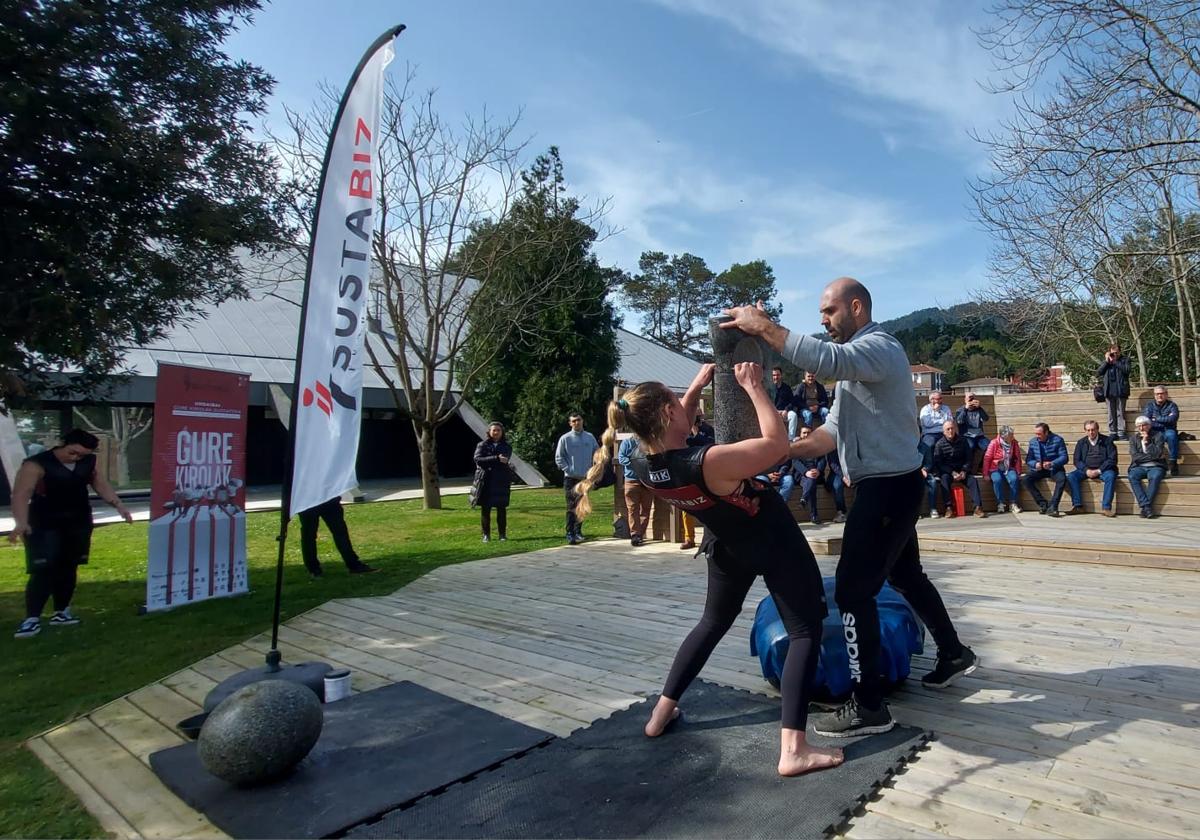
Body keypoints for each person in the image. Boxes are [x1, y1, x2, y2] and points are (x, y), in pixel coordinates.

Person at [724, 278, 977, 738]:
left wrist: (764, 327)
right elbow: (834, 429)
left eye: (828, 312)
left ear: (856, 307)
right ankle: (953, 652)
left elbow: (826, 360)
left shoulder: (879, 347)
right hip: (889, 488)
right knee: (905, 576)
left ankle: (869, 706)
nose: (822, 321)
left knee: (853, 593)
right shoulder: (857, 371)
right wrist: (789, 450)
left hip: (886, 490)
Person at [574, 362, 843, 776]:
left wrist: (697, 386)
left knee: (711, 623)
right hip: (772, 542)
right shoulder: (710, 461)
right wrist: (755, 388)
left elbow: (672, 432)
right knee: (804, 631)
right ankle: (794, 749)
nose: (686, 406)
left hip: (725, 545)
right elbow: (775, 444)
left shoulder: (647, 466)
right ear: (666, 413)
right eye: (676, 400)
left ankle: (660, 713)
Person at [9, 429, 133, 639]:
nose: (76, 458)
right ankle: (32, 619)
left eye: (82, 455)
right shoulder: (36, 463)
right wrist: (21, 522)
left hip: (78, 520)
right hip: (45, 521)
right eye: (73, 452)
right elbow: (22, 493)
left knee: (69, 566)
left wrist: (119, 506)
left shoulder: (88, 463)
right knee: (44, 569)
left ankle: (61, 612)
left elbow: (100, 485)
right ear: (64, 444)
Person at [299, 497, 375, 576]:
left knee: (338, 533)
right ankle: (314, 568)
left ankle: (353, 564)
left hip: (321, 500)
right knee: (310, 535)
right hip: (314, 501)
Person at [554, 412, 599, 545]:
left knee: (581, 506)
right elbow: (559, 458)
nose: (576, 423)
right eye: (573, 421)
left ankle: (578, 532)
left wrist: (594, 469)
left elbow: (596, 454)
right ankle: (570, 533)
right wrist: (569, 470)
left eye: (578, 420)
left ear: (582, 421)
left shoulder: (589, 437)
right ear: (570, 423)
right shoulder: (565, 438)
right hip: (571, 478)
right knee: (571, 506)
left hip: (585, 479)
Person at [932, 419, 986, 518]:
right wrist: (951, 472)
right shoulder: (939, 444)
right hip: (948, 471)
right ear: (943, 432)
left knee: (973, 481)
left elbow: (969, 458)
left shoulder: (963, 441)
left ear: (956, 429)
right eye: (947, 429)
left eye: (952, 428)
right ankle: (948, 508)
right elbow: (939, 463)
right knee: (944, 480)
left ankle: (978, 507)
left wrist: (964, 471)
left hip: (962, 470)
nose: (950, 431)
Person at [1064, 421, 1118, 517]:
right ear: (1085, 431)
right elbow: (1076, 460)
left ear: (1097, 429)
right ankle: (1078, 506)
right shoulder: (1081, 442)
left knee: (1111, 476)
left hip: (1104, 470)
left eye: (1093, 430)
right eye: (1088, 430)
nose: (1091, 432)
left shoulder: (1107, 441)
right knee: (1072, 476)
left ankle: (1106, 508)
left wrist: (1099, 470)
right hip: (1086, 470)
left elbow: (1112, 459)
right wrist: (1086, 470)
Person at [473, 422, 514, 542]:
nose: (496, 432)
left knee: (501, 508)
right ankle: (486, 534)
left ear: (502, 432)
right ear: (489, 432)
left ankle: (502, 534)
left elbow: (505, 459)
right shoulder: (482, 445)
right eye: (494, 430)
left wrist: (490, 460)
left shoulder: (506, 446)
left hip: (501, 480)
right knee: (486, 509)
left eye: (498, 430)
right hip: (486, 480)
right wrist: (496, 458)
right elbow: (478, 459)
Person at [1021, 423, 1069, 516]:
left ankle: (1053, 507)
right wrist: (1035, 464)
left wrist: (1052, 463)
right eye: (1036, 434)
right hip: (1039, 469)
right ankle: (1043, 504)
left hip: (1055, 468)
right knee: (1026, 480)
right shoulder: (1033, 442)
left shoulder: (1058, 440)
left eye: (1039, 434)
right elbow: (1029, 459)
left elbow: (1064, 457)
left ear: (1046, 432)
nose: (1037, 436)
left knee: (1062, 479)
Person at [1128, 415, 1169, 518]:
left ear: (1149, 426)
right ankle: (1147, 507)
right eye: (1139, 426)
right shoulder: (1133, 438)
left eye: (1144, 425)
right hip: (1139, 466)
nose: (1141, 428)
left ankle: (1145, 508)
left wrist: (1147, 442)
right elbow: (1135, 457)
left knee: (1155, 477)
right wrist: (1152, 457)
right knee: (1132, 476)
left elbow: (1158, 453)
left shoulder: (1158, 435)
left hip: (1156, 466)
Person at [618, 433, 652, 546]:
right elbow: (621, 458)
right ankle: (635, 534)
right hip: (631, 480)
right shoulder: (626, 442)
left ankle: (640, 534)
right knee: (632, 509)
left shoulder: (648, 442)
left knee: (646, 509)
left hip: (646, 480)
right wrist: (636, 463)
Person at [982, 425, 1023, 513]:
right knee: (997, 480)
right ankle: (1000, 503)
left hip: (1009, 467)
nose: (1013, 437)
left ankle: (1013, 503)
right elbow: (987, 458)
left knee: (1014, 479)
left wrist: (1019, 472)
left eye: (1012, 434)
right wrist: (985, 474)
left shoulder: (1014, 443)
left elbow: (1018, 458)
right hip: (995, 468)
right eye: (1011, 435)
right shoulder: (994, 443)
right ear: (1003, 436)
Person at [1097, 342, 1131, 440]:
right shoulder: (1107, 362)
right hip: (1109, 391)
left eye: (1116, 353)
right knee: (1111, 413)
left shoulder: (1125, 360)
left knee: (1121, 413)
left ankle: (1121, 432)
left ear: (1120, 352)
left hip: (1121, 390)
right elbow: (1099, 372)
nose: (1115, 355)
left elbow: (1127, 370)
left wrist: (1116, 361)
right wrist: (1107, 361)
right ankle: (1112, 432)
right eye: (1113, 353)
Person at [1144, 386, 1181, 476]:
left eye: (1162, 393)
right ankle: (1158, 463)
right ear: (1154, 395)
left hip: (1168, 430)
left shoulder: (1172, 405)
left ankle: (1173, 462)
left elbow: (1173, 419)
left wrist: (1156, 419)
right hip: (1154, 431)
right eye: (1157, 394)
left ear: (1166, 394)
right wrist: (1165, 419)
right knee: (1147, 436)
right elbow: (1147, 421)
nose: (1159, 395)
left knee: (1171, 435)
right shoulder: (1149, 406)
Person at [792, 427, 825, 524]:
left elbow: (822, 460)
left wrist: (818, 470)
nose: (806, 435)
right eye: (804, 433)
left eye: (808, 433)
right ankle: (814, 515)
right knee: (811, 481)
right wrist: (806, 472)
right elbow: (795, 462)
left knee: (812, 480)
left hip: (815, 474)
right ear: (800, 434)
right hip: (802, 475)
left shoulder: (818, 447)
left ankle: (804, 499)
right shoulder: (796, 447)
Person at [954, 392, 990, 472]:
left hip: (979, 436)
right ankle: (967, 467)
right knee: (970, 446)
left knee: (989, 446)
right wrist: (965, 409)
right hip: (966, 435)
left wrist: (980, 408)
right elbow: (959, 421)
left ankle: (981, 466)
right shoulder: (960, 410)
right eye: (969, 398)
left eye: (973, 398)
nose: (971, 400)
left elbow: (986, 419)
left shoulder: (979, 409)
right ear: (965, 400)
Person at [770, 366, 799, 439]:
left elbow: (792, 402)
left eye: (778, 375)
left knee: (793, 415)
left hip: (784, 412)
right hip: (772, 412)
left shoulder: (787, 388)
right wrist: (775, 411)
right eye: (774, 375)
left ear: (781, 375)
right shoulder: (769, 389)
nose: (776, 377)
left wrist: (786, 410)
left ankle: (790, 439)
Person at [823, 449, 849, 524]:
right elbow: (833, 465)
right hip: (836, 472)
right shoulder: (832, 447)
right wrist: (843, 477)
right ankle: (841, 512)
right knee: (837, 485)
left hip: (850, 472)